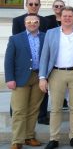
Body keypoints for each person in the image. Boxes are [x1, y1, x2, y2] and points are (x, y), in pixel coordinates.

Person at [38, 6, 73, 149]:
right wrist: (42, 77)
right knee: (55, 108)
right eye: (65, 16)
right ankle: (54, 138)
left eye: (70, 16)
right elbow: (44, 57)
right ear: (60, 17)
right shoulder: (51, 33)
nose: (67, 18)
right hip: (56, 73)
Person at [5, 14, 46, 149]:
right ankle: (17, 140)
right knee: (19, 110)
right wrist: (10, 78)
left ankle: (29, 137)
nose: (32, 23)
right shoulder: (15, 39)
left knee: (34, 109)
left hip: (38, 77)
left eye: (35, 21)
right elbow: (9, 60)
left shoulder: (45, 37)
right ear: (25, 23)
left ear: (39, 23)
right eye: (29, 21)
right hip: (20, 78)